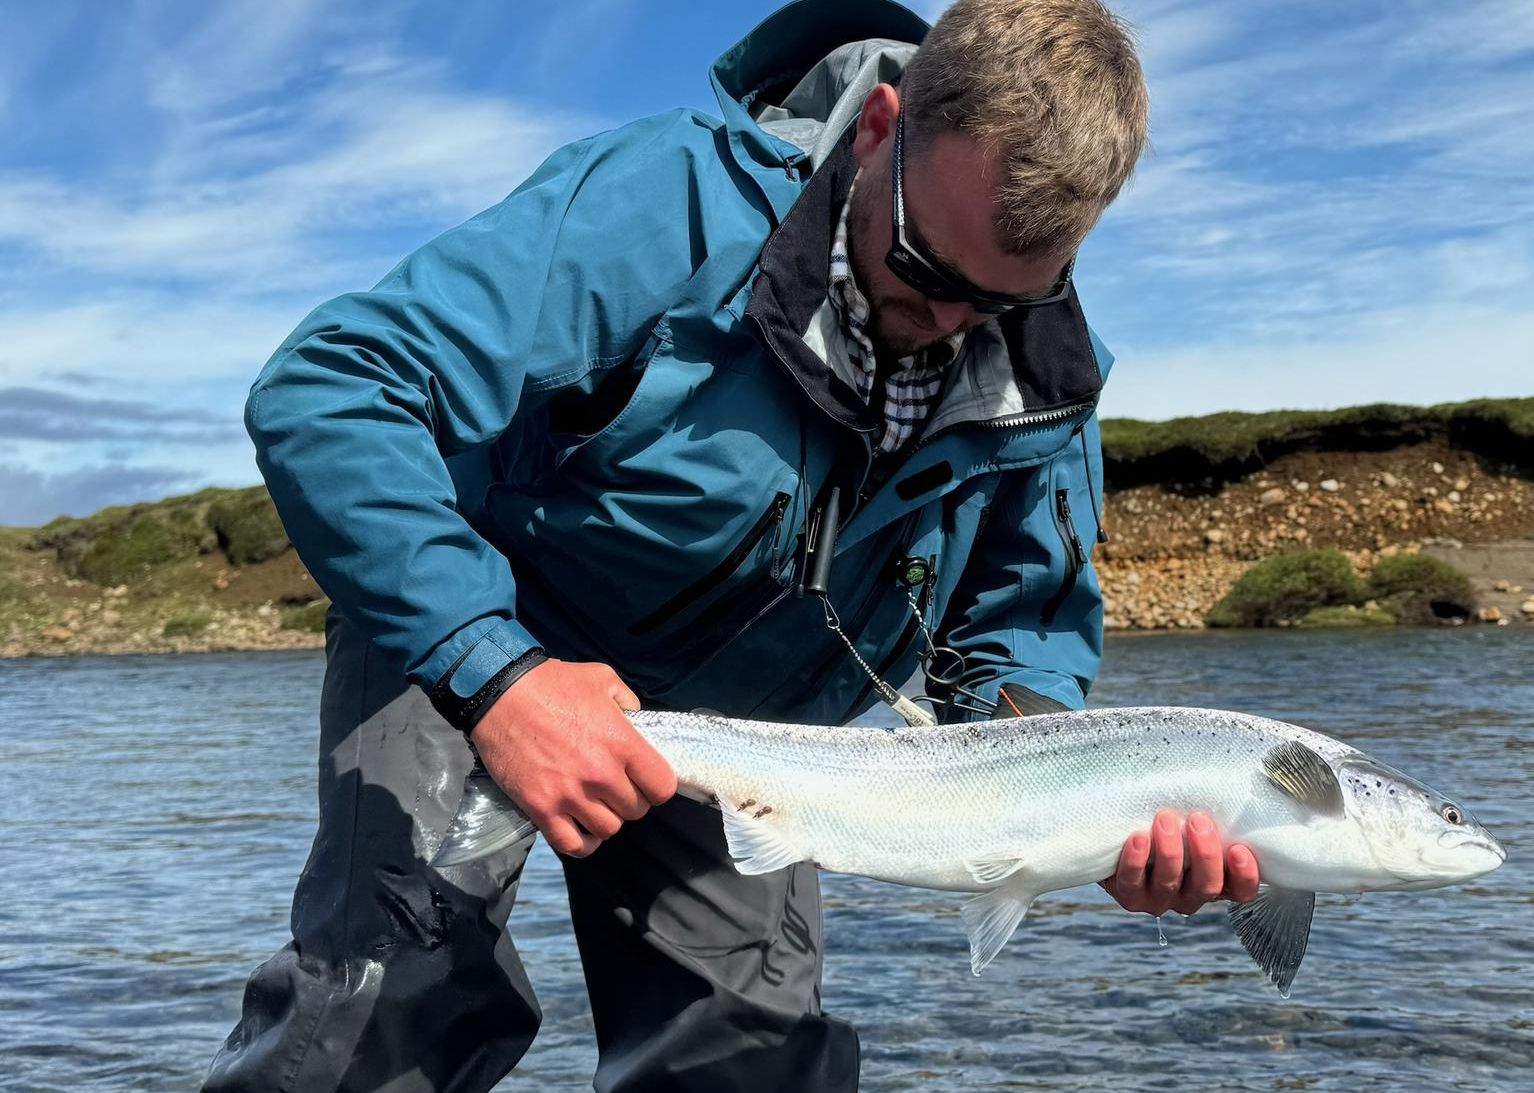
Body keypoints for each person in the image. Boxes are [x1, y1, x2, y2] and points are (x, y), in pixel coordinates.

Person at [204, 1, 1258, 1090]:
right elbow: (331, 387)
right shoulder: (662, 205)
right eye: (925, 267)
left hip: (756, 737)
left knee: (746, 1062)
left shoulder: (1045, 376)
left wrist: (1079, 821)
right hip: (479, 625)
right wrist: (497, 677)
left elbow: (1014, 640)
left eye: (1005, 297)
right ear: (874, 130)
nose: (951, 323)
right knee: (385, 1011)